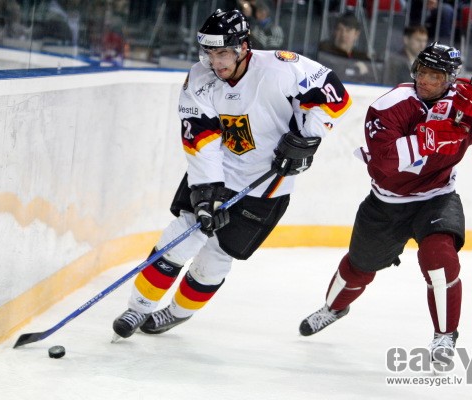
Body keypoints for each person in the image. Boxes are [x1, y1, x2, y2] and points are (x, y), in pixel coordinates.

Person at [112, 8, 352, 339]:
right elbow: (200, 139)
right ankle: (138, 307)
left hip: (268, 187)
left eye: (223, 52)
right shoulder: (200, 79)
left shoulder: (280, 68)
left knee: (215, 259)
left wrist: (306, 138)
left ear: (243, 47)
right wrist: (207, 192)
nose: (215, 62)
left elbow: (334, 94)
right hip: (218, 173)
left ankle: (177, 312)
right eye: (209, 53)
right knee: (181, 236)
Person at [299, 42, 472, 365]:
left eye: (435, 76)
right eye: (422, 72)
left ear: (450, 79)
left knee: (439, 259)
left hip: (437, 197)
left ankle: (444, 335)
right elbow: (383, 163)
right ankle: (333, 308)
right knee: (358, 268)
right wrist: (430, 139)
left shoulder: (465, 101)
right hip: (386, 203)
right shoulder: (391, 105)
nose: (425, 81)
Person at [316, 12, 373, 83]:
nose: (343, 34)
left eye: (348, 30)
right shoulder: (324, 50)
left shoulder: (361, 57)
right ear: (335, 31)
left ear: (356, 34)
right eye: (340, 29)